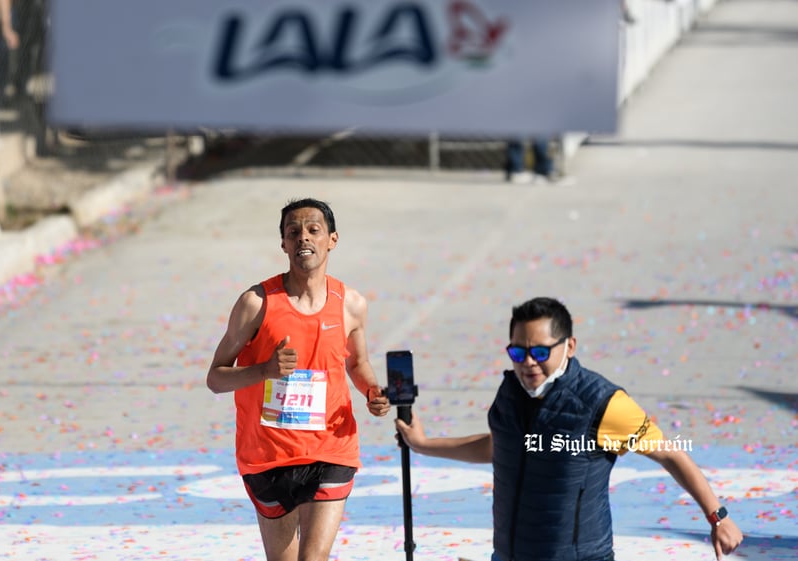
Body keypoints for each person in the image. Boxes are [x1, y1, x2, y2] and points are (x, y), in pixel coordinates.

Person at [395, 297, 743, 561]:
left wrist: (718, 517)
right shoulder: (511, 393)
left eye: (540, 351)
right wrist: (423, 444)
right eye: (518, 352)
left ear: (569, 346)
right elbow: (500, 447)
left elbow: (669, 453)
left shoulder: (604, 404)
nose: (528, 362)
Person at [206, 197, 391, 561]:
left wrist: (373, 391)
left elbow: (357, 363)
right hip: (267, 454)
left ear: (332, 240)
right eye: (293, 232)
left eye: (313, 230)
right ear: (284, 244)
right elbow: (215, 378)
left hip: (331, 449)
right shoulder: (256, 303)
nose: (303, 237)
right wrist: (265, 370)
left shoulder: (350, 303)